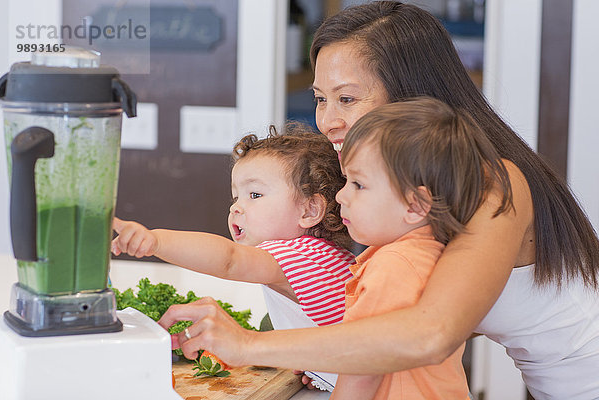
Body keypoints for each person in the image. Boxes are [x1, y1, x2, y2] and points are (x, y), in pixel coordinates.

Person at [157, 2, 599, 399]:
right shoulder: (404, 187)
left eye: (347, 99)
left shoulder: (490, 183)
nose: (328, 121)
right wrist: (332, 355)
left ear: (413, 98)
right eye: (320, 99)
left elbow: (432, 333)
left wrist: (247, 343)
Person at [112, 124, 355, 391]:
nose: (236, 207)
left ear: (309, 210)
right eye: (235, 196)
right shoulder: (322, 256)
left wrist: (154, 241)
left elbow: (229, 259)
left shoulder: (302, 255)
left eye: (255, 195)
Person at [331, 97, 505, 399]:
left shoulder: (393, 265)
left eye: (358, 185)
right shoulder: (425, 252)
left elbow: (362, 366)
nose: (340, 196)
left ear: (415, 205)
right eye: (346, 180)